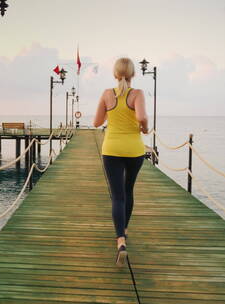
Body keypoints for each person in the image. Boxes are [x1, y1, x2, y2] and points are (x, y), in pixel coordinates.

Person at [93, 57, 148, 267]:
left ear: (115, 74)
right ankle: (124, 229)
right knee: (129, 190)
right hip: (134, 150)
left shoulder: (107, 94)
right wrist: (145, 127)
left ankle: (120, 241)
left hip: (112, 149)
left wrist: (111, 112)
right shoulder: (137, 94)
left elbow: (97, 122)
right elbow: (142, 117)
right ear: (134, 74)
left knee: (117, 196)